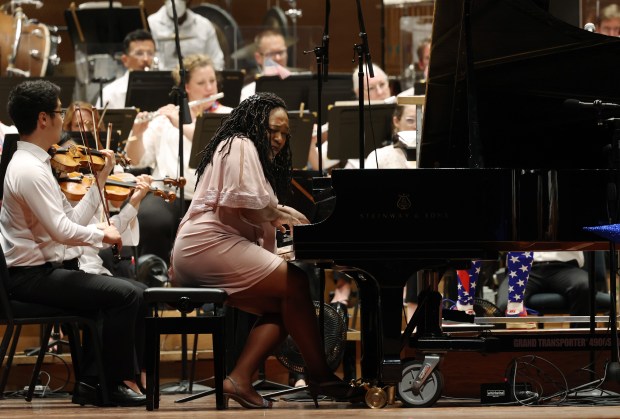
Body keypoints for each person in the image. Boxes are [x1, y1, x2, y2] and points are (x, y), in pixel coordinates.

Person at [170, 92, 364, 408]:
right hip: (207, 244)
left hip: (212, 246)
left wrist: (278, 217)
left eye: (285, 134)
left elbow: (252, 213)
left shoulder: (250, 154)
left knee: (285, 305)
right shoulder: (239, 143)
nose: (278, 139)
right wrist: (280, 212)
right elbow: (246, 205)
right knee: (297, 284)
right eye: (273, 129)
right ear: (254, 123)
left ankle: (240, 378)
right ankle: (321, 376)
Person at [0, 80, 146, 406]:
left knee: (130, 292)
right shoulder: (28, 170)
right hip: (30, 279)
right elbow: (61, 231)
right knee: (126, 295)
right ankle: (106, 383)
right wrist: (102, 234)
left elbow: (74, 220)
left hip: (47, 272)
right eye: (58, 111)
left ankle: (95, 382)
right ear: (43, 119)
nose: (61, 116)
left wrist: (101, 178)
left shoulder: (40, 164)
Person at [125, 53, 232, 262]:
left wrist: (182, 125)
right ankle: (153, 272)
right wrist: (137, 133)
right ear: (187, 88)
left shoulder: (229, 115)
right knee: (151, 218)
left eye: (212, 81)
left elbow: (216, 147)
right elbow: (136, 160)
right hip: (167, 192)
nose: (210, 88)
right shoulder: (166, 118)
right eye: (202, 82)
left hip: (210, 196)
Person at [308, 63, 393, 171]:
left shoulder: (405, 112)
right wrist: (311, 144)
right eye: (371, 88)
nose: (380, 92)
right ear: (358, 93)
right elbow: (320, 163)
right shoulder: (351, 121)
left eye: (382, 84)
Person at [148, 0, 224, 71]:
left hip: (196, 79)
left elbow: (217, 61)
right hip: (162, 78)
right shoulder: (150, 24)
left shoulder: (204, 26)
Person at [96, 29, 156, 109]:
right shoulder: (109, 93)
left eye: (150, 53)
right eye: (139, 53)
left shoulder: (166, 90)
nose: (146, 59)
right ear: (125, 60)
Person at [239, 29, 292, 102]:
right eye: (271, 53)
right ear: (258, 58)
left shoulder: (300, 83)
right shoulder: (248, 93)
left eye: (281, 52)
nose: (278, 58)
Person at [365, 104, 417, 169]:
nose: (416, 126)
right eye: (410, 120)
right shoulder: (379, 156)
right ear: (396, 121)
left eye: (422, 120)